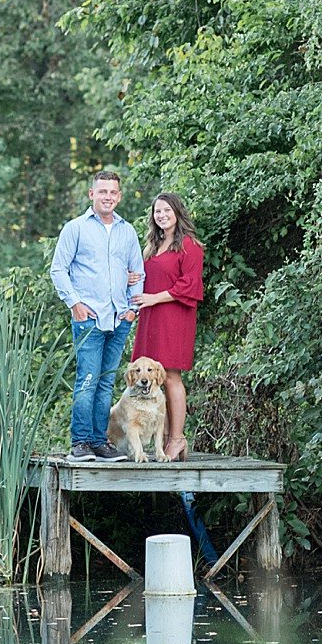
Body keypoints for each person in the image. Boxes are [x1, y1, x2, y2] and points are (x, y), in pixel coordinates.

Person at [50, 170, 144, 462]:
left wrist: (132, 310)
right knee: (88, 380)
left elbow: (137, 271)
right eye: (102, 191)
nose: (108, 197)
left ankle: (98, 442)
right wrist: (74, 303)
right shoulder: (75, 228)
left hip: (119, 318)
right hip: (88, 317)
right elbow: (58, 270)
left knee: (105, 383)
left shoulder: (126, 231)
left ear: (119, 196)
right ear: (92, 194)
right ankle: (80, 443)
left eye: (113, 192)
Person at [128, 193, 204, 459]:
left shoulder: (189, 245)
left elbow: (189, 285)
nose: (161, 215)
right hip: (151, 315)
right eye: (157, 211)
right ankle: (160, 439)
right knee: (152, 377)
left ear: (177, 212)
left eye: (166, 210)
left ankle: (177, 439)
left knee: (170, 376)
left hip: (174, 314)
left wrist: (153, 298)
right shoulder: (153, 245)